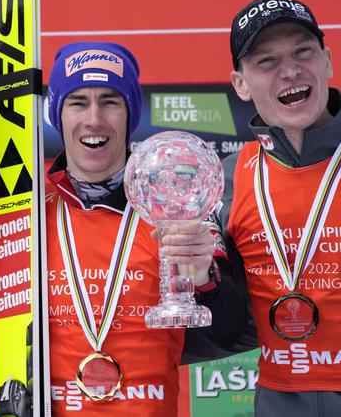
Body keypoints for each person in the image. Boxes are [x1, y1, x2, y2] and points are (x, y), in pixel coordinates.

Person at [41, 41, 249, 416]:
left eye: (110, 101)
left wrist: (204, 277)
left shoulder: (175, 202)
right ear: (58, 114)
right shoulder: (28, 210)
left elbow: (230, 328)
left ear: (130, 113)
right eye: (77, 102)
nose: (93, 119)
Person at [223, 0, 341, 416]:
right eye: (265, 61)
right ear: (240, 84)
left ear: (328, 62)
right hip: (280, 402)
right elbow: (221, 319)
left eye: (304, 51)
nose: (290, 70)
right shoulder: (228, 177)